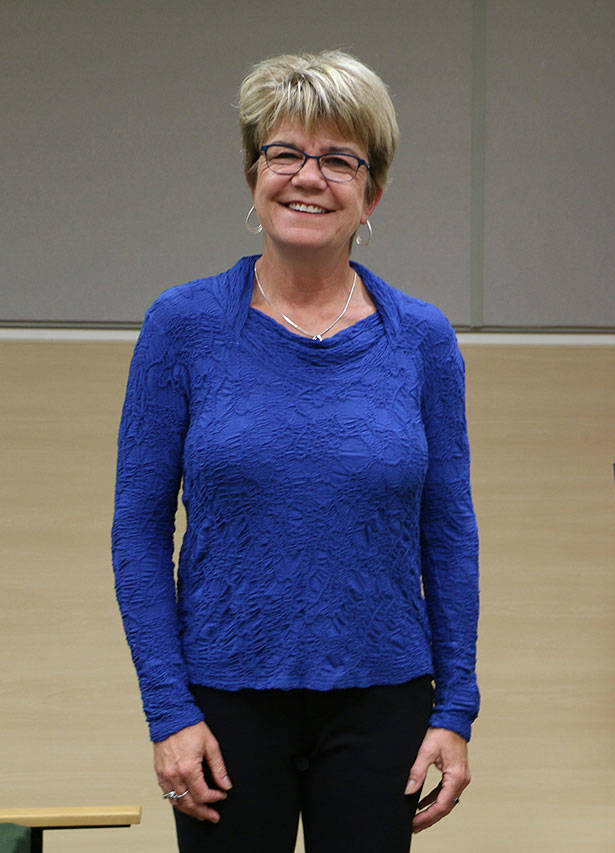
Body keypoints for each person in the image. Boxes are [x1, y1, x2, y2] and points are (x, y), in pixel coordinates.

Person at [111, 50, 478, 852]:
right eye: (286, 153)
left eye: (338, 160)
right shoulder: (182, 326)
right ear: (254, 175)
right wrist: (168, 710)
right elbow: (138, 532)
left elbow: (448, 537)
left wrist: (455, 710)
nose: (308, 177)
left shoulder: (422, 339)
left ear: (371, 193)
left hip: (384, 701)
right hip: (221, 706)